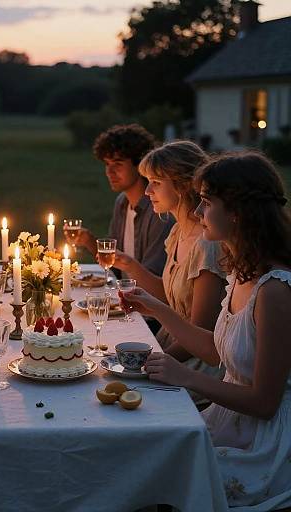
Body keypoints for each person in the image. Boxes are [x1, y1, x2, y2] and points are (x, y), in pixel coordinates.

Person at [123, 152, 291, 509]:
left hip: (265, 443)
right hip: (228, 419)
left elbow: (264, 402)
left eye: (206, 202)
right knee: (144, 451)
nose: (198, 214)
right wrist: (155, 307)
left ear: (237, 212)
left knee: (153, 472)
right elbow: (217, 350)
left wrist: (185, 376)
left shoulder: (275, 290)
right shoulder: (241, 273)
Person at [113, 141, 226, 405]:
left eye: (156, 182)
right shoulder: (177, 232)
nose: (148, 191)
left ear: (183, 185)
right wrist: (131, 268)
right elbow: (170, 295)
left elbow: (200, 332)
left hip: (194, 367)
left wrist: (149, 361)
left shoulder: (207, 246)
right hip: (170, 347)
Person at [76, 124, 173, 277]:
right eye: (107, 164)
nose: (109, 172)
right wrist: (89, 241)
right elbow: (114, 265)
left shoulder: (159, 212)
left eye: (118, 164)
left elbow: (151, 278)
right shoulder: (122, 202)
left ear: (140, 165)